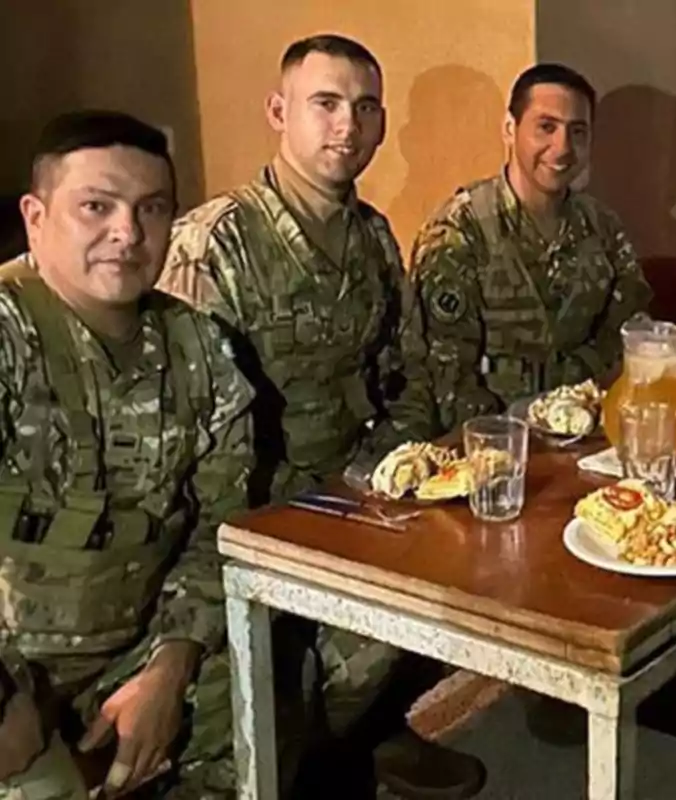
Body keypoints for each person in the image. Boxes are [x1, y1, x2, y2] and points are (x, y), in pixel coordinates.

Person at [159, 35, 484, 799]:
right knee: (312, 676)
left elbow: (407, 376)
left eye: (365, 107)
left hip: (356, 486)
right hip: (258, 508)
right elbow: (186, 437)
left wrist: (391, 469)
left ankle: (367, 733)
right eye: (326, 104)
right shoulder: (217, 245)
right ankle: (319, 751)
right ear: (280, 112)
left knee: (477, 562)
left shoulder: (371, 235)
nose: (348, 125)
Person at [0, 110, 272, 798]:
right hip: (11, 676)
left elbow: (222, 521)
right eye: (96, 206)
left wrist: (169, 665)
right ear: (36, 217)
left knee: (257, 691)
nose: (127, 232)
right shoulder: (9, 335)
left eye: (151, 209)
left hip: (136, 647)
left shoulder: (199, 348)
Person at [411, 63, 653, 431]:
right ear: (510, 129)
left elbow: (632, 329)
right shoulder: (461, 230)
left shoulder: (601, 226)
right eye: (546, 127)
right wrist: (501, 443)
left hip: (588, 426)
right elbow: (444, 375)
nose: (563, 148)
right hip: (493, 439)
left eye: (578, 132)